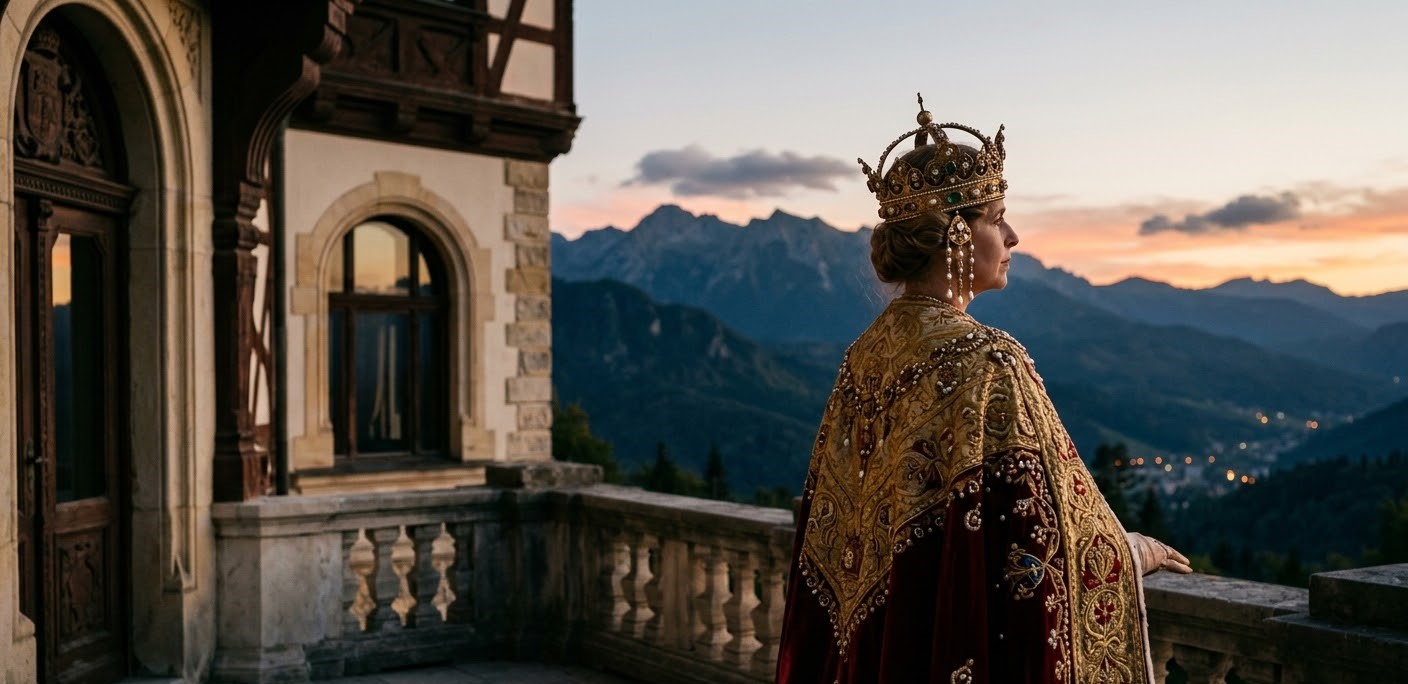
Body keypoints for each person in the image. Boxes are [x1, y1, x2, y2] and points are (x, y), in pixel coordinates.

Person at [775, 96, 1191, 684]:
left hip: (878, 643)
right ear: (956, 234)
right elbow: (1037, 537)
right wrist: (1130, 552)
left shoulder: (863, 356)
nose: (1014, 235)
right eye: (997, 217)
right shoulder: (987, 360)